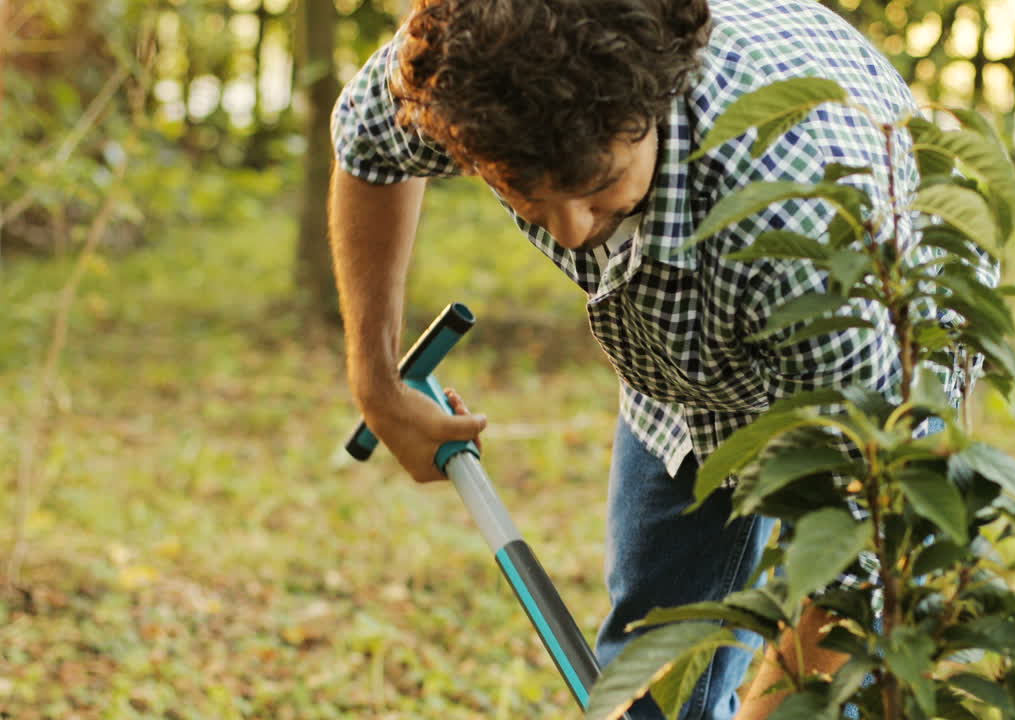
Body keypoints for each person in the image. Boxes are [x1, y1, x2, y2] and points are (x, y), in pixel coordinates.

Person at [328, 0, 978, 717]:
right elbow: (367, 149)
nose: (572, 232)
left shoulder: (805, 225)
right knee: (646, 679)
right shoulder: (472, 76)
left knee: (843, 686)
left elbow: (853, 581)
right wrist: (378, 382)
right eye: (523, 194)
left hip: (864, 346)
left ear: (661, 97)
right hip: (673, 357)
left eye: (599, 185)